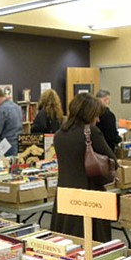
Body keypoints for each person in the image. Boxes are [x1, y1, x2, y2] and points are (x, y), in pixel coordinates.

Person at [50, 92, 118, 243]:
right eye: (95, 115)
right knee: (91, 243)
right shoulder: (91, 132)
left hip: (64, 194)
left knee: (66, 241)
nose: (98, 119)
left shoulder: (59, 134)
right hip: (89, 195)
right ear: (88, 114)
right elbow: (113, 161)